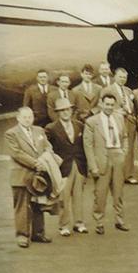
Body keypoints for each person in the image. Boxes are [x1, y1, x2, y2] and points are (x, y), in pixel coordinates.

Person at [5, 106, 64, 247]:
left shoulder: (39, 130)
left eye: (30, 117)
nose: (28, 120)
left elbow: (47, 146)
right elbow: (16, 153)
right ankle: (22, 235)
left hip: (39, 174)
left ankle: (38, 233)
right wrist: (36, 163)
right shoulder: (11, 133)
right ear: (18, 118)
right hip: (21, 174)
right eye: (25, 117)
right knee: (22, 205)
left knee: (39, 203)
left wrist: (47, 157)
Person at [82, 92, 129, 234]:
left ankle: (119, 220)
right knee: (100, 194)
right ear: (101, 104)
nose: (109, 107)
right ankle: (99, 222)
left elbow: (125, 137)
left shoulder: (119, 118)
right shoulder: (92, 121)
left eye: (111, 105)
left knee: (118, 192)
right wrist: (93, 166)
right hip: (102, 158)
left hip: (117, 156)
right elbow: (88, 145)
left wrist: (124, 152)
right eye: (106, 104)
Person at [44, 97, 88, 237]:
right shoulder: (51, 128)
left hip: (79, 165)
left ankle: (79, 223)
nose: (65, 112)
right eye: (62, 110)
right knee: (63, 197)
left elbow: (84, 147)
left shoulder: (79, 125)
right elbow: (46, 147)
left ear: (72, 110)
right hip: (63, 167)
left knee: (79, 196)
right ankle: (64, 225)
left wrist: (87, 167)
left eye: (67, 109)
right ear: (57, 112)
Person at [105, 68, 138, 185]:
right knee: (115, 148)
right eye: (120, 77)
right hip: (116, 123)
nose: (123, 79)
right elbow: (103, 107)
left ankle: (128, 174)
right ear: (114, 77)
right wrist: (117, 112)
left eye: (124, 77)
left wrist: (132, 116)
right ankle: (115, 175)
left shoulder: (128, 90)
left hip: (129, 123)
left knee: (129, 149)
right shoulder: (108, 90)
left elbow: (133, 106)